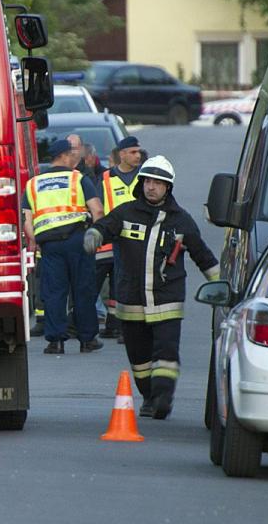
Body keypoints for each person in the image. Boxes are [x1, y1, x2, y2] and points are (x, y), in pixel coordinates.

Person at [83, 155, 218, 419]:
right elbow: (105, 226)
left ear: (168, 187)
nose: (151, 187)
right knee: (140, 359)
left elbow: (203, 256)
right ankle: (148, 396)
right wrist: (94, 235)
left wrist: (221, 285)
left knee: (166, 352)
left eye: (158, 182)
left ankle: (164, 397)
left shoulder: (181, 220)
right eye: (147, 181)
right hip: (131, 301)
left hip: (167, 299)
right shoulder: (125, 212)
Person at [23, 137, 105, 355]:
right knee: (83, 290)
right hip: (79, 241)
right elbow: (97, 211)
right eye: (72, 155)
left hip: (50, 245)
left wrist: (36, 242)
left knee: (54, 292)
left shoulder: (33, 184)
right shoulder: (78, 180)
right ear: (64, 156)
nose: (75, 158)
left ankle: (55, 341)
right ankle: (87, 340)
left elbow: (26, 221)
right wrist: (96, 237)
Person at [94, 136, 147, 341]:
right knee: (116, 285)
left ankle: (126, 328)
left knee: (131, 286)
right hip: (110, 240)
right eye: (133, 152)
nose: (137, 155)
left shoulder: (144, 176)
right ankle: (113, 326)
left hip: (137, 240)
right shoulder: (105, 178)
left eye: (138, 152)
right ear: (122, 154)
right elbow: (97, 208)